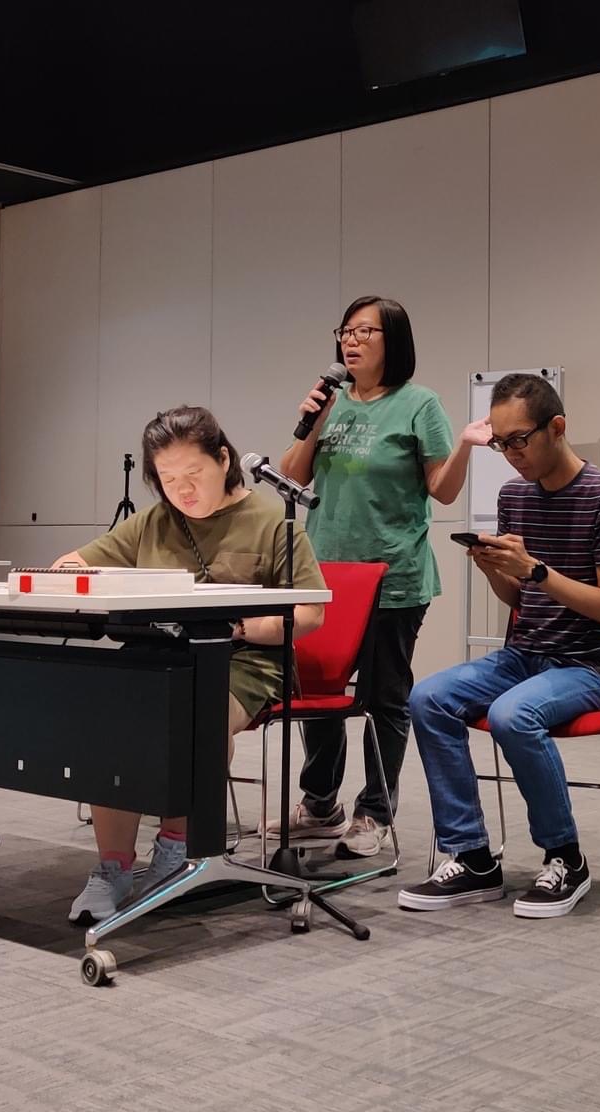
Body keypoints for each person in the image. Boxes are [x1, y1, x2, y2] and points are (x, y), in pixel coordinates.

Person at [54, 404, 328, 925]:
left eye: (193, 474)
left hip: (241, 662)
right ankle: (113, 866)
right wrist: (75, 573)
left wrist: (240, 626)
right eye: (168, 478)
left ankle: (177, 849)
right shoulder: (155, 522)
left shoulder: (273, 522)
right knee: (102, 720)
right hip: (155, 656)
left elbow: (308, 612)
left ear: (224, 459)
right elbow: (77, 562)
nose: (182, 490)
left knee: (191, 717)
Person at [398, 373, 600, 920]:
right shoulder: (513, 496)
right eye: (500, 443)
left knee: (512, 715)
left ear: (557, 428)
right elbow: (517, 596)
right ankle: (472, 856)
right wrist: (496, 570)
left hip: (589, 665)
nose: (510, 455)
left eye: (519, 440)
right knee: (428, 698)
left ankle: (565, 857)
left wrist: (536, 570)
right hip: (525, 653)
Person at [271, 295, 485, 859]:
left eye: (367, 331)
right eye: (346, 330)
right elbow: (291, 476)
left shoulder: (419, 404)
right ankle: (321, 804)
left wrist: (463, 445)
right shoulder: (331, 403)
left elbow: (442, 489)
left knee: (383, 698)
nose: (353, 340)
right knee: (313, 690)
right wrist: (313, 422)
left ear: (394, 340)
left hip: (391, 575)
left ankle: (375, 812)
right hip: (322, 575)